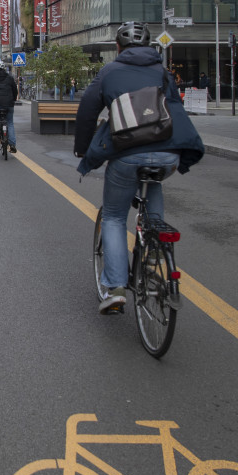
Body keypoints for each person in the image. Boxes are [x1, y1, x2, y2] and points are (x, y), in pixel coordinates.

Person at [73, 22, 205, 315]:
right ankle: (153, 255)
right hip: (167, 155)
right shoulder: (163, 71)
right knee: (153, 184)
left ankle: (116, 287)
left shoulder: (109, 72)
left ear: (118, 48)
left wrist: (83, 148)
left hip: (127, 153)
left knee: (115, 216)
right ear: (149, 47)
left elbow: (87, 110)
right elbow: (175, 110)